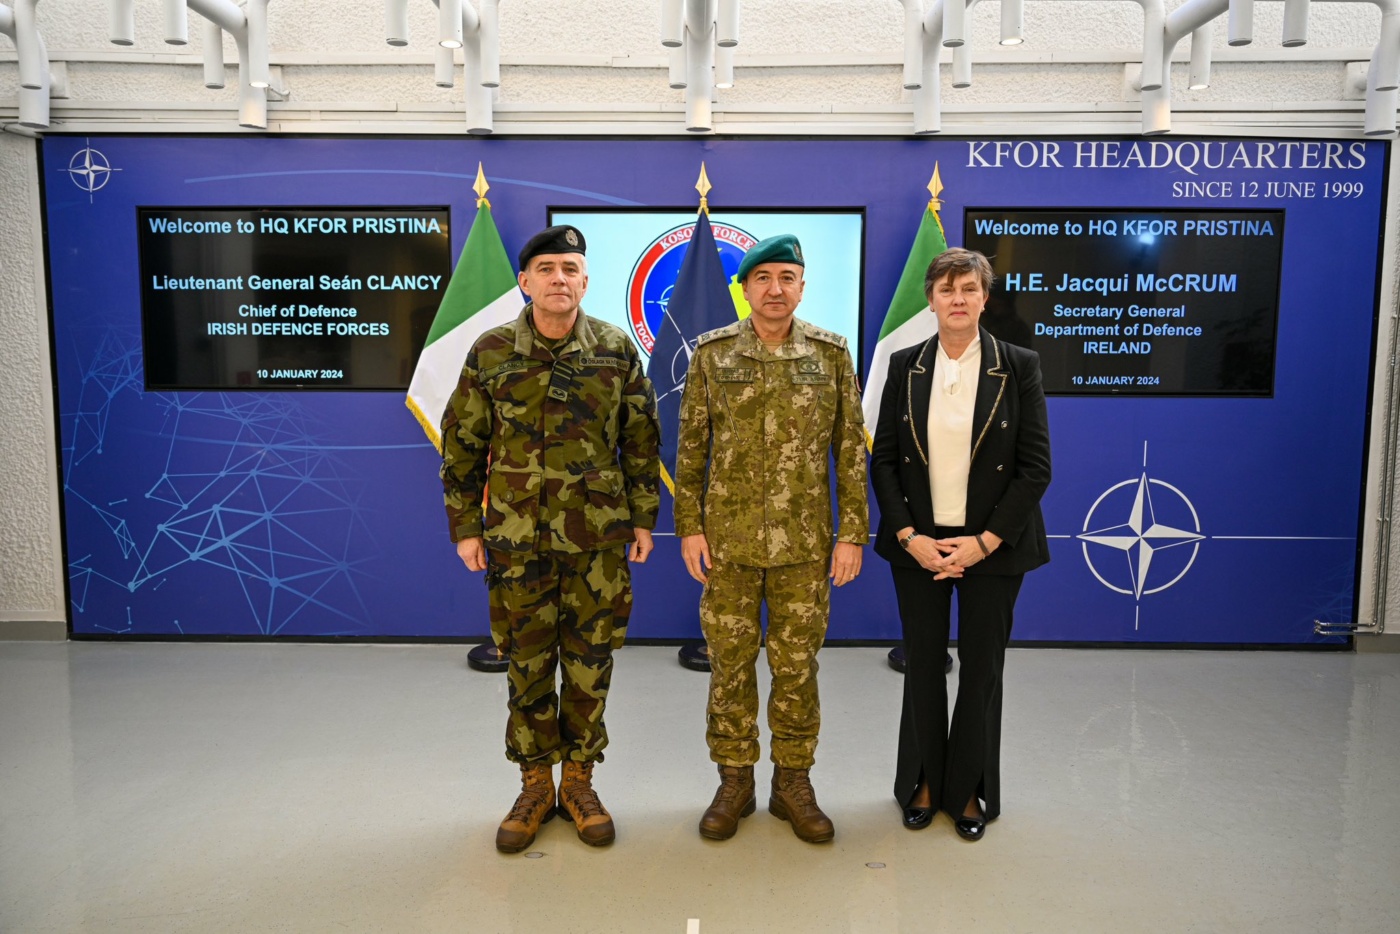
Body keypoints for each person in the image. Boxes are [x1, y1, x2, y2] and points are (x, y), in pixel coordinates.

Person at [440, 225, 661, 853]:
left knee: (591, 665)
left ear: (585, 281)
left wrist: (643, 519)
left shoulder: (615, 349)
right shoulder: (491, 351)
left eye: (569, 268)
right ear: (525, 281)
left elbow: (641, 441)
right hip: (516, 543)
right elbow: (462, 445)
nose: (558, 278)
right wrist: (466, 528)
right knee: (527, 665)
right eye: (546, 268)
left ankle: (580, 783)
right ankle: (535, 784)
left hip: (598, 543)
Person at [673, 233, 868, 844]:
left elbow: (850, 451)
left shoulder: (831, 354)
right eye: (763, 278)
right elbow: (691, 448)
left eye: (787, 277)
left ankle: (793, 782)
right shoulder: (713, 354)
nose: (775, 289)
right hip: (727, 545)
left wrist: (852, 533)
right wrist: (689, 527)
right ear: (745, 288)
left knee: (796, 667)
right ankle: (735, 780)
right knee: (729, 666)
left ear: (802, 287)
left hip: (804, 546)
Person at [870, 247, 1051, 841]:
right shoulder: (904, 364)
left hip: (993, 546)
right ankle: (922, 781)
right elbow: (885, 462)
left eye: (968, 289)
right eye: (946, 289)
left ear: (984, 298)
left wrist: (984, 542)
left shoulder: (1018, 365)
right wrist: (909, 536)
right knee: (922, 665)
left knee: (981, 671)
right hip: (918, 544)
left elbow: (1035, 467)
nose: (957, 299)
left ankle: (969, 788)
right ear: (930, 299)